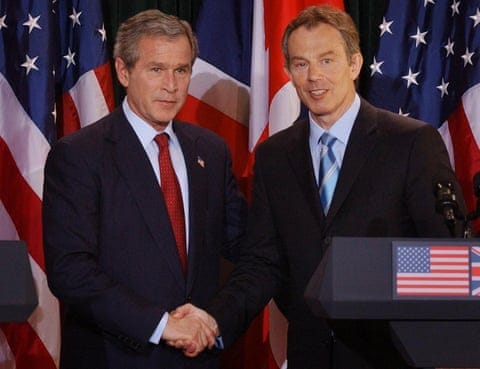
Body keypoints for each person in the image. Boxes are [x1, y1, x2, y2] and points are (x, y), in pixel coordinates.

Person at [171, 4, 467, 369]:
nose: (314, 77)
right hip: (309, 355)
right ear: (288, 72)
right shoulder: (274, 157)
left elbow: (447, 259)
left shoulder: (410, 143)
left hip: (392, 355)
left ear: (355, 64)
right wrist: (214, 320)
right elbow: (262, 262)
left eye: (327, 60)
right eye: (301, 64)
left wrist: (370, 277)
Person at [42, 9, 247, 369]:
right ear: (124, 71)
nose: (171, 85)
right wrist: (163, 325)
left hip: (198, 358)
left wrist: (215, 319)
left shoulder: (210, 152)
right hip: (116, 358)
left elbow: (246, 247)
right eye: (156, 69)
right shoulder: (79, 155)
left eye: (181, 70)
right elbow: (70, 270)